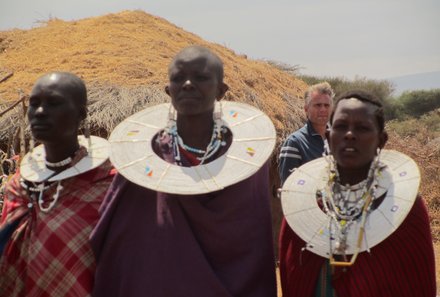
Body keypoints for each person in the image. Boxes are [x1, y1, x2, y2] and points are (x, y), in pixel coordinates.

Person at [90, 46, 277, 297]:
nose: (188, 84)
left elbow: (252, 242)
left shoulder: (247, 159)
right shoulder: (142, 158)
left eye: (200, 77)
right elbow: (121, 240)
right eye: (179, 78)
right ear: (169, 91)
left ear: (222, 91)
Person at [279, 90, 436, 296]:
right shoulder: (303, 210)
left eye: (362, 128)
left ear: (381, 140)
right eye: (341, 127)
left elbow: (418, 287)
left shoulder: (405, 211)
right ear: (328, 136)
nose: (350, 134)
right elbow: (293, 281)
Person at [0, 72, 114, 296]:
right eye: (34, 104)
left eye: (53, 103)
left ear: (80, 114)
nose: (40, 112)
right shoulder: (18, 186)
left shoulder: (109, 185)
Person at [278, 82, 334, 290]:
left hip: (338, 226)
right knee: (309, 285)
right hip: (306, 227)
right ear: (306, 109)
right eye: (317, 105)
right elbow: (289, 190)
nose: (322, 110)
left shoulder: (338, 140)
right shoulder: (295, 143)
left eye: (326, 105)